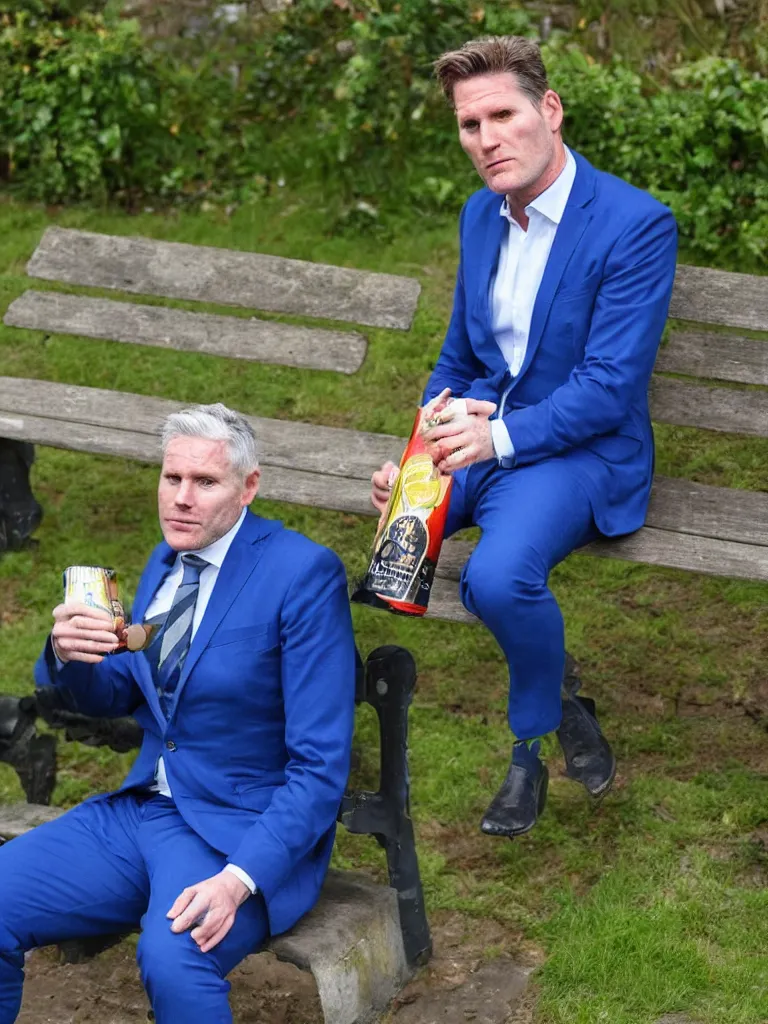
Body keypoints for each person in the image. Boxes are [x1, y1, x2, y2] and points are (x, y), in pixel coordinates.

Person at [371, 35, 678, 838]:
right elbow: (460, 358)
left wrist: (497, 440)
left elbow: (611, 389)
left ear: (548, 111)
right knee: (394, 547)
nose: (486, 139)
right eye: (469, 125)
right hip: (486, 430)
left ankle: (528, 747)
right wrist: (418, 460)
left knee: (497, 580)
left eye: (502, 114)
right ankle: (568, 705)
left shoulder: (634, 225)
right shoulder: (480, 214)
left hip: (581, 449)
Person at [0, 403, 357, 1023]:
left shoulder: (302, 573)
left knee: (174, 958)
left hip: (236, 834)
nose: (181, 499)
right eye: (172, 479)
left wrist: (240, 879)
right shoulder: (165, 564)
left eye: (205, 482)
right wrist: (70, 656)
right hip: (143, 812)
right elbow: (114, 696)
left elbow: (320, 769)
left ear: (249, 487)